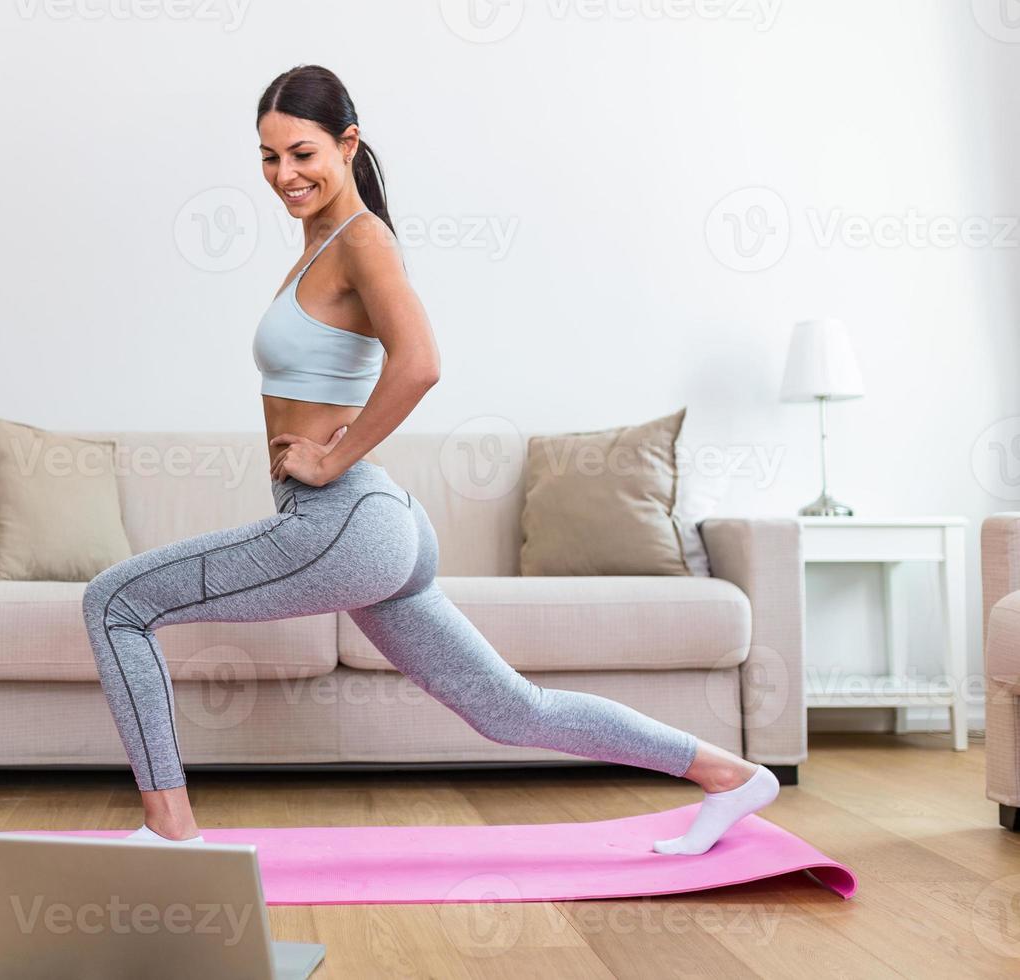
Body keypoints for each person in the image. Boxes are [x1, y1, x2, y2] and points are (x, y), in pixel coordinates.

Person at [82, 64, 778, 856]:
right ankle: (729, 775)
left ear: (349, 143)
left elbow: (419, 361)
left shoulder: (363, 241)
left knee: (114, 603)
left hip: (344, 521)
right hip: (377, 527)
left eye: (303, 153)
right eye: (269, 158)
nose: (285, 175)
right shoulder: (324, 242)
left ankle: (170, 830)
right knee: (513, 712)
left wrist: (329, 457)